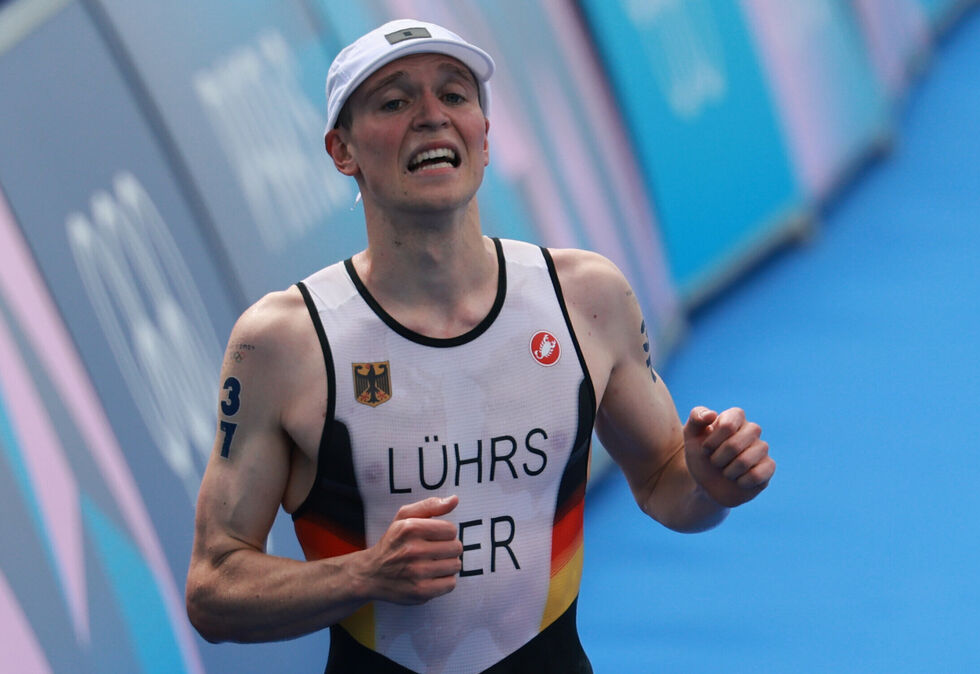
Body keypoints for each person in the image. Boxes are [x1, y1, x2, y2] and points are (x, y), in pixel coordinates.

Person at [185, 18, 775, 673]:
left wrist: (712, 486)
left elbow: (668, 485)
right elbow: (214, 591)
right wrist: (366, 576)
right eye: (394, 101)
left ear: (485, 137)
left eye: (456, 96)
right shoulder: (285, 342)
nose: (432, 117)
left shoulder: (586, 298)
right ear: (341, 151)